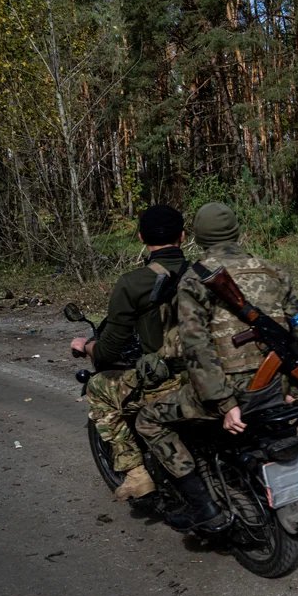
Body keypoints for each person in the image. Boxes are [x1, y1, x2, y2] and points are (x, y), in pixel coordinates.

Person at [135, 201, 298, 533]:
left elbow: (197, 346)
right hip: (276, 386)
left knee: (148, 419)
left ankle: (204, 508)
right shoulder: (274, 271)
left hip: (233, 393)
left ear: (197, 237)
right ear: (238, 231)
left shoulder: (196, 278)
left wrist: (225, 404)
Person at [69, 205, 189, 502]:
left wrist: (87, 347)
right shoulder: (204, 274)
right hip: (206, 371)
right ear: (183, 236)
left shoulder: (133, 283)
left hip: (169, 380)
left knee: (98, 387)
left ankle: (136, 474)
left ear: (140, 237)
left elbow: (108, 349)